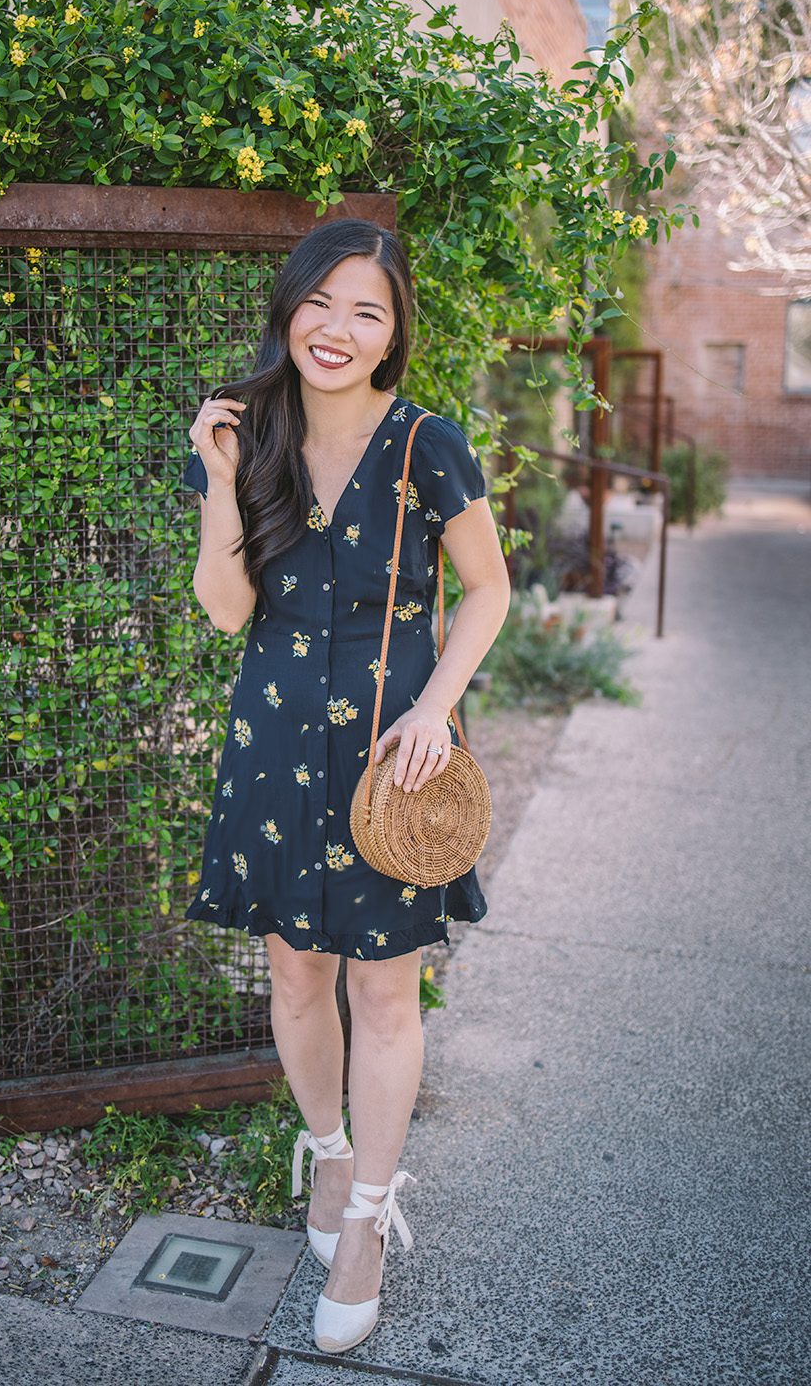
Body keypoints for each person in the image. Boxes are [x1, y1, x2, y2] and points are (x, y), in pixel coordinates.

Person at [183, 218, 510, 1353]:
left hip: (390, 750)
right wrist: (222, 481)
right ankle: (325, 1154)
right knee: (293, 977)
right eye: (321, 302)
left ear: (393, 332)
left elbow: (486, 589)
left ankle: (369, 1214)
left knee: (382, 990)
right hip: (274, 736)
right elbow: (227, 609)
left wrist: (435, 707)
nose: (337, 328)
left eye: (366, 310)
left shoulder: (428, 442)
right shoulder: (241, 424)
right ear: (289, 308)